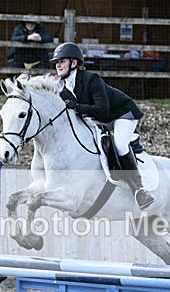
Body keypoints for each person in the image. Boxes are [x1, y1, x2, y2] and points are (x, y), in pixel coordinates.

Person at [50, 41, 155, 210]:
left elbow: (103, 110)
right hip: (99, 117)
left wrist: (76, 107)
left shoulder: (91, 79)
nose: (58, 65)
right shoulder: (62, 87)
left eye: (61, 61)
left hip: (122, 114)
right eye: (56, 62)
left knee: (120, 145)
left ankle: (140, 191)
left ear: (74, 63)